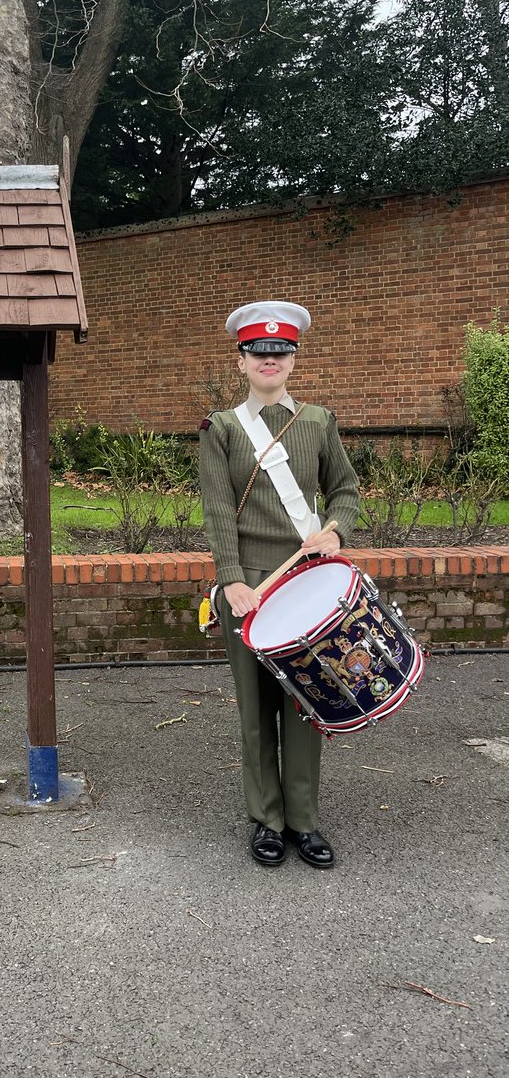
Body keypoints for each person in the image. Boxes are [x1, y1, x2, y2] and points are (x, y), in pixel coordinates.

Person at [199, 300, 359, 868]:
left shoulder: (317, 422)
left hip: (306, 582)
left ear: (293, 359)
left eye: (281, 351)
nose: (270, 359)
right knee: (255, 709)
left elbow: (345, 490)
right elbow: (218, 510)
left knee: (306, 702)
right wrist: (231, 581)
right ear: (240, 361)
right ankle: (265, 820)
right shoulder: (220, 428)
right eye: (258, 351)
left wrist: (336, 531)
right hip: (248, 587)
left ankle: (304, 821)